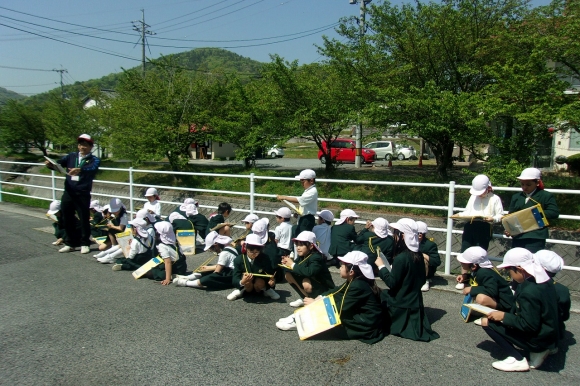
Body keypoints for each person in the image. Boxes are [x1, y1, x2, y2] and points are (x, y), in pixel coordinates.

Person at [479, 248, 558, 371]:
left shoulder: (529, 291)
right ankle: (543, 349)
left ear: (520, 269)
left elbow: (529, 325)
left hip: (538, 339)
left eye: (509, 270)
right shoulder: (545, 281)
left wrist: (504, 316)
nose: (509, 273)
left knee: (486, 322)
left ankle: (517, 359)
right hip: (550, 335)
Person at [283, 251, 384, 344]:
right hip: (364, 319)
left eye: (342, 266)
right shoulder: (355, 281)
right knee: (328, 316)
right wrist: (320, 297)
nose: (340, 267)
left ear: (351, 272)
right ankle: (299, 319)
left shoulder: (358, 285)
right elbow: (337, 291)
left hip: (366, 326)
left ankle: (301, 323)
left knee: (329, 327)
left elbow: (340, 307)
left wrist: (315, 305)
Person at [375, 218, 439, 342]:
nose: (394, 235)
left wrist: (381, 266)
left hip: (401, 302)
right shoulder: (419, 255)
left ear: (402, 236)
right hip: (415, 300)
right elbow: (420, 279)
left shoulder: (402, 258)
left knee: (376, 293)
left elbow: (391, 283)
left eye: (396, 232)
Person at [45, 134, 100, 254]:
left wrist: (81, 169)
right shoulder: (71, 156)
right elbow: (59, 163)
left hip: (82, 193)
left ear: (91, 147)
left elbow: (93, 168)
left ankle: (85, 242)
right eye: (80, 145)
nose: (82, 147)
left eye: (85, 145)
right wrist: (51, 165)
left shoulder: (94, 159)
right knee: (67, 217)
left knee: (84, 218)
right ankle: (70, 243)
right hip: (69, 191)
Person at [454, 174, 504, 290]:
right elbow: (468, 211)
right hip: (470, 226)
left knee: (480, 255)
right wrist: (459, 215)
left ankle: (478, 279)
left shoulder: (495, 199)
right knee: (465, 251)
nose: (479, 194)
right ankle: (464, 278)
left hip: (485, 228)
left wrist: (493, 219)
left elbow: (500, 215)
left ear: (488, 188)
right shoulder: (473, 197)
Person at [278, 231, 335, 316]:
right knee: (288, 275)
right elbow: (295, 268)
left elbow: (309, 272)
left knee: (306, 282)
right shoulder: (303, 255)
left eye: (301, 245)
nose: (298, 248)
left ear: (311, 246)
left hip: (325, 289)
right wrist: (286, 263)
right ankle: (306, 298)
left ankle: (313, 301)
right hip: (315, 285)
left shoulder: (316, 257)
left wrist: (292, 264)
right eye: (297, 245)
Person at [506, 168, 559, 253]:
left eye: (528, 185)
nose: (524, 187)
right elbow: (510, 215)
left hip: (536, 236)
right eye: (522, 184)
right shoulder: (516, 197)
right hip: (518, 236)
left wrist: (533, 214)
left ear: (537, 183)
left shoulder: (545, 196)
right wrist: (509, 228)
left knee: (532, 262)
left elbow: (554, 212)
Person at [457, 246, 514, 325]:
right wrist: (466, 277)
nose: (461, 263)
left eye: (463, 262)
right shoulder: (480, 270)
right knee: (478, 295)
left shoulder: (485, 273)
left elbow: (491, 290)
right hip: (498, 299)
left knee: (481, 298)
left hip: (505, 304)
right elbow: (476, 279)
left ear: (473, 266)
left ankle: (496, 314)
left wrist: (471, 289)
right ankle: (489, 311)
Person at [173, 231, 238, 290]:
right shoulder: (229, 248)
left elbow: (217, 271)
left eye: (211, 248)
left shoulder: (224, 253)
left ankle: (187, 282)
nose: (212, 250)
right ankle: (188, 277)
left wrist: (209, 272)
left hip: (233, 275)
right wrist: (208, 268)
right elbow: (224, 265)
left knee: (212, 277)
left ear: (216, 245)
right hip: (231, 271)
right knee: (208, 267)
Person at [227, 234, 279, 301]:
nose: (254, 254)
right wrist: (242, 282)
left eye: (257, 252)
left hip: (260, 283)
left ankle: (266, 290)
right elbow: (235, 278)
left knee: (259, 281)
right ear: (245, 247)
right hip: (246, 285)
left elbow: (270, 274)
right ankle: (241, 290)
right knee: (247, 281)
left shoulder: (265, 258)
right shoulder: (239, 260)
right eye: (251, 252)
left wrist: (271, 282)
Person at [534, 249, 570, 341]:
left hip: (537, 335)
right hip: (557, 333)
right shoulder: (563, 290)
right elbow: (565, 316)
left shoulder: (531, 287)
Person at [276, 169, 318, 236]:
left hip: (307, 219)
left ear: (311, 181)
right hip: (304, 217)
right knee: (299, 236)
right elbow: (304, 204)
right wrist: (299, 214)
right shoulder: (308, 190)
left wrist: (284, 197)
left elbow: (300, 200)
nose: (302, 184)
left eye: (303, 181)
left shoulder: (312, 191)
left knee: (303, 238)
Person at [416, 221, 441, 292]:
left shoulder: (430, 245)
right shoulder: (409, 242)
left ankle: (425, 280)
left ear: (420, 234)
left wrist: (423, 255)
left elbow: (437, 261)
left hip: (427, 270)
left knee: (422, 259)